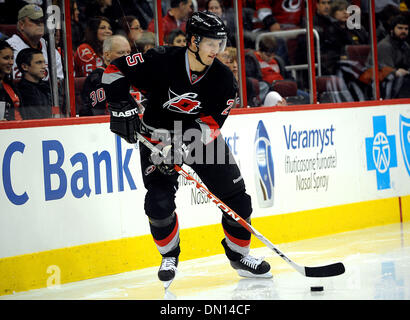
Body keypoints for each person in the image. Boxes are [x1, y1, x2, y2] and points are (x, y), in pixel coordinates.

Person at [102, 11, 272, 286]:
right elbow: (114, 70)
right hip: (156, 137)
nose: (216, 49)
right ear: (193, 41)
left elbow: (211, 126)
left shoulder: (224, 79)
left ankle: (240, 256)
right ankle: (169, 255)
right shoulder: (161, 59)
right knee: (158, 203)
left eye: (220, 43)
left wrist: (181, 148)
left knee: (238, 200)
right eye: (210, 43)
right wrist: (121, 107)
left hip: (200, 141)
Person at [6, 4, 64, 80]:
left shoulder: (50, 48)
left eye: (42, 21)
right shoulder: (9, 47)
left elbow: (59, 82)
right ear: (21, 25)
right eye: (35, 21)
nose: (40, 24)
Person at [79, 35, 131, 116]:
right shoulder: (97, 78)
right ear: (107, 55)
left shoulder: (133, 74)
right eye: (121, 53)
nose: (127, 57)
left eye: (128, 52)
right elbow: (98, 113)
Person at [374, 14, 410, 98]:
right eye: (400, 28)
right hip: (383, 81)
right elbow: (386, 70)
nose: (403, 31)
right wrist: (397, 72)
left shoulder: (405, 46)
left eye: (406, 29)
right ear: (391, 30)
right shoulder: (385, 45)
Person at [15, 47, 52, 119]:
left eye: (44, 62)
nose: (44, 66)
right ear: (25, 67)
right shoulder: (21, 91)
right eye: (39, 63)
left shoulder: (47, 87)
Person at [0, 40, 21, 121]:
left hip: (20, 131)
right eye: (6, 58)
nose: (11, 62)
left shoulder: (10, 84)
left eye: (12, 58)